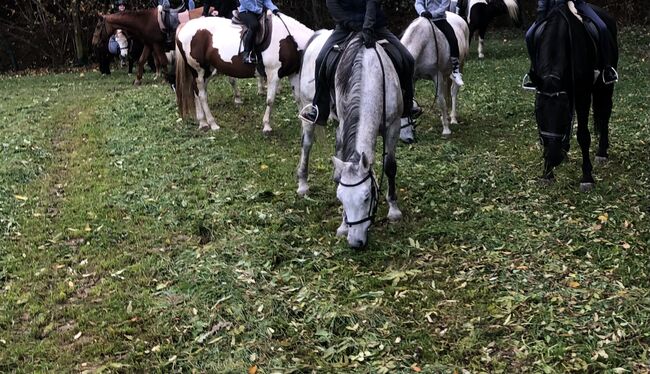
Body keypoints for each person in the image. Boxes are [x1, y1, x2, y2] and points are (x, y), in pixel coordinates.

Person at [299, 0, 421, 125]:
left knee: (408, 59)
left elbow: (372, 2)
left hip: (374, 26)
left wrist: (367, 27)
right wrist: (355, 26)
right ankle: (319, 108)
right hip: (344, 28)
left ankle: (408, 103)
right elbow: (333, 6)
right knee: (321, 60)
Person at [524, 0, 618, 88]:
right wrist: (542, 11)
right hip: (549, 9)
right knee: (529, 35)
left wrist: (570, 4)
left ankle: (606, 68)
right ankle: (534, 70)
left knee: (602, 28)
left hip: (576, 5)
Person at [415, 0, 464, 86]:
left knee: (453, 38)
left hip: (439, 20)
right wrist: (422, 12)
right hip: (424, 19)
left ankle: (455, 70)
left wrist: (432, 14)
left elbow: (444, 6)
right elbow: (418, 3)